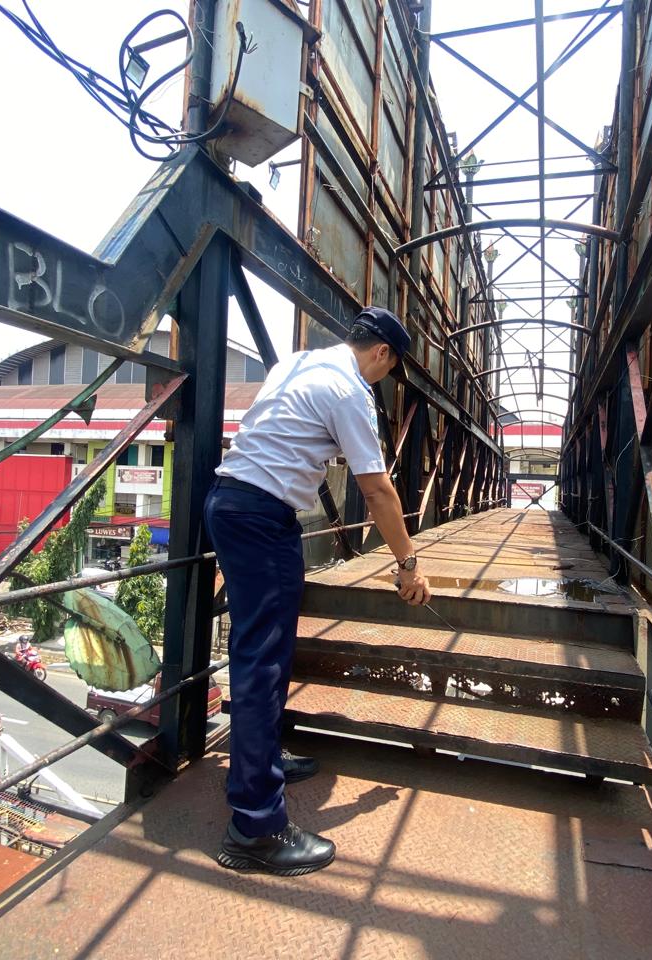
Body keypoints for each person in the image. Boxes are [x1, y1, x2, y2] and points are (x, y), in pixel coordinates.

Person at [205, 306, 431, 877]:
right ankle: (255, 826)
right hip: (263, 517)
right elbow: (377, 490)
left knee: (264, 652)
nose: (385, 380)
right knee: (261, 660)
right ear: (381, 353)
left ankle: (263, 757)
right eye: (391, 369)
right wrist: (408, 564)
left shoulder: (298, 363)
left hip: (230, 503)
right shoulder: (349, 389)